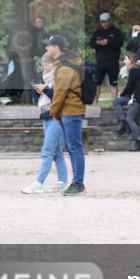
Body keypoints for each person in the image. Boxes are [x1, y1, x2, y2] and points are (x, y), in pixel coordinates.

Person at [45, 35, 87, 196]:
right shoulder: (67, 63)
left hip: (71, 111)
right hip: (69, 110)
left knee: (75, 147)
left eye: (49, 46)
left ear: (56, 47)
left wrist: (53, 111)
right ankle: (77, 181)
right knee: (71, 147)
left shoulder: (65, 67)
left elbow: (60, 93)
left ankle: (78, 183)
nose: (47, 49)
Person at [22, 53, 68, 194]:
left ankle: (39, 183)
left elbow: (59, 97)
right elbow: (40, 98)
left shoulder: (59, 77)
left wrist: (46, 89)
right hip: (45, 115)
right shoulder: (43, 77)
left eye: (47, 64)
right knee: (56, 153)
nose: (45, 67)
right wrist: (37, 91)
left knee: (47, 151)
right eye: (43, 64)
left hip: (56, 117)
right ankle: (62, 181)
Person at [113, 51, 140, 152]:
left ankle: (139, 143)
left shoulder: (134, 70)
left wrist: (122, 94)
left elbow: (129, 86)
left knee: (130, 118)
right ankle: (123, 122)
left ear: (130, 60)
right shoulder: (135, 69)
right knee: (116, 102)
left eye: (125, 59)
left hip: (139, 98)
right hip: (133, 96)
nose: (124, 61)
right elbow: (132, 87)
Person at [88, 12, 124, 104]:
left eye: (105, 21)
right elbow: (91, 43)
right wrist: (98, 43)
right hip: (100, 62)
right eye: (102, 22)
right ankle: (95, 102)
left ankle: (114, 103)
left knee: (114, 83)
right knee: (97, 83)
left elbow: (120, 43)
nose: (104, 24)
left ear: (109, 20)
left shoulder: (116, 32)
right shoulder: (98, 32)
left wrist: (108, 42)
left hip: (113, 61)